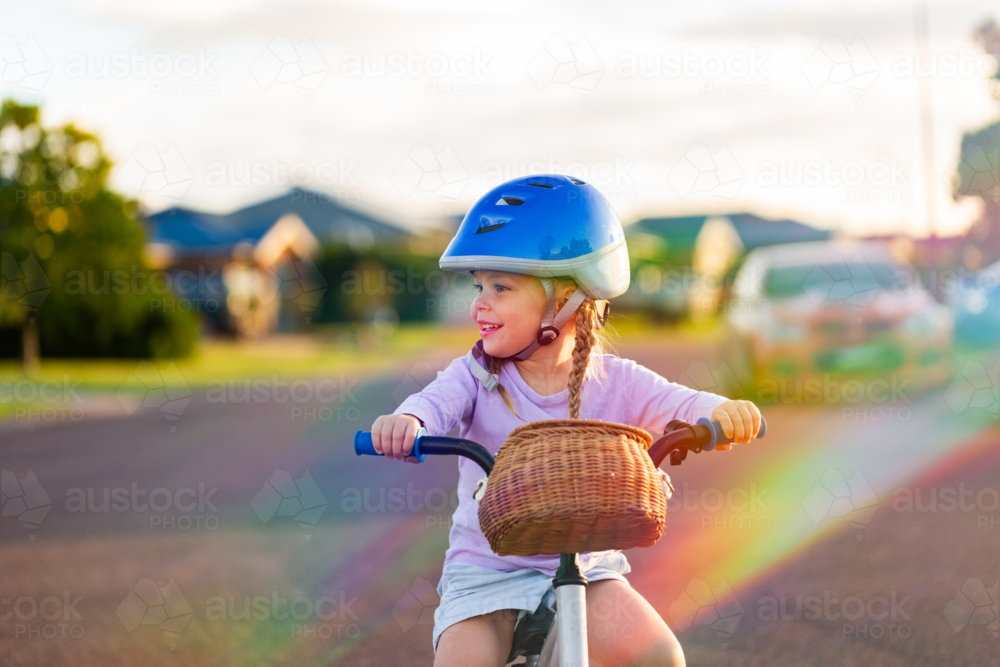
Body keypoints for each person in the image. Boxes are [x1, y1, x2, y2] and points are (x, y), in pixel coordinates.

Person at [369, 174, 762, 667]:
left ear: (568, 300)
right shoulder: (474, 376)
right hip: (488, 569)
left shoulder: (616, 380)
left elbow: (679, 402)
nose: (480, 303)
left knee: (661, 657)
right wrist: (407, 420)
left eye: (502, 287)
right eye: (479, 287)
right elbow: (433, 403)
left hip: (588, 568)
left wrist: (719, 410)